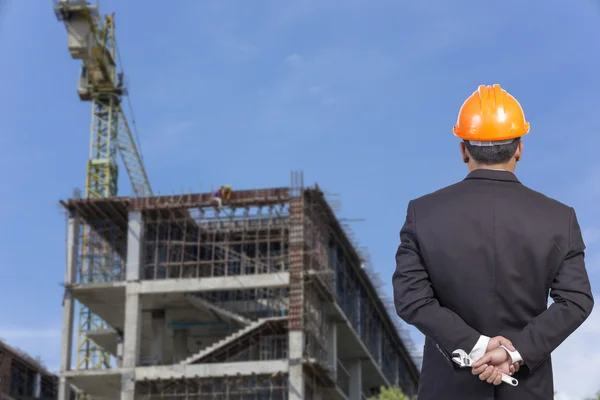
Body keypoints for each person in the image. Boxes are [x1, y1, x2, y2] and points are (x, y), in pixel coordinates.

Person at [392, 84, 594, 399]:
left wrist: (477, 346)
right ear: (519, 148)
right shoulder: (558, 218)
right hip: (527, 389)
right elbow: (575, 301)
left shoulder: (423, 213)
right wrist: (517, 352)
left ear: (463, 149)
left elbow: (411, 299)